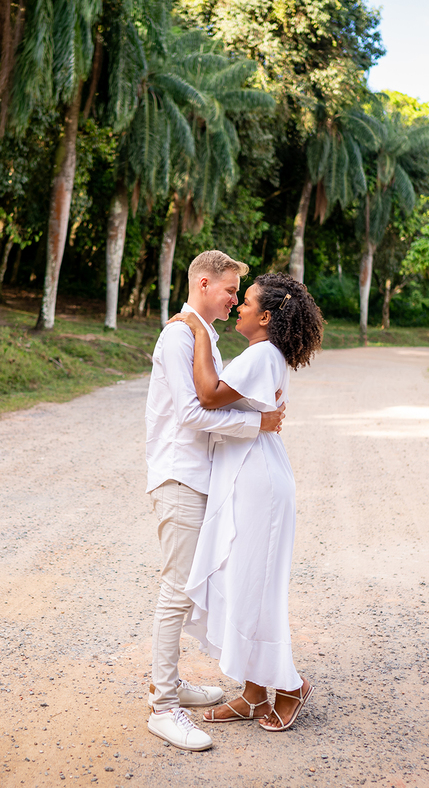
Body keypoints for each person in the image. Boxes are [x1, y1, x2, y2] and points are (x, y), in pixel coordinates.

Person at [143, 250, 286, 751]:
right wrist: (258, 423)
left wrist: (259, 410)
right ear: (204, 284)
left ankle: (173, 683)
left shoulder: (202, 337)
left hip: (200, 481)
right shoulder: (178, 334)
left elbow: (216, 397)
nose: (233, 300)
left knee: (190, 587)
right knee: (176, 590)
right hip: (179, 478)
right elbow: (190, 413)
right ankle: (163, 707)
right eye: (230, 291)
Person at [170, 271, 323, 732]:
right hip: (252, 473)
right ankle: (255, 693)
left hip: (259, 481)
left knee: (257, 587)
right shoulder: (262, 354)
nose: (238, 305)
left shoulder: (261, 354)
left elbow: (208, 394)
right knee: (245, 583)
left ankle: (290, 686)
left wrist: (197, 328)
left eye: (247, 300)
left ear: (267, 317)